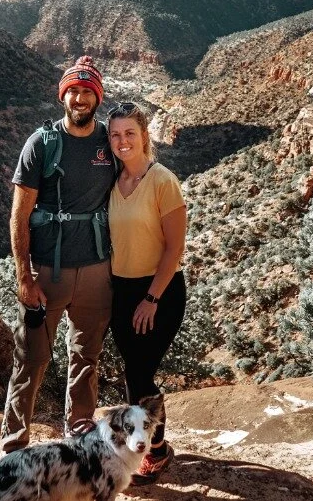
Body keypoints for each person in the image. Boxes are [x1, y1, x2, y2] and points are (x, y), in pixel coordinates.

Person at [0, 56, 116, 455]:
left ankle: (79, 433)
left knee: (87, 357)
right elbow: (19, 213)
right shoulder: (42, 144)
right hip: (48, 269)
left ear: (97, 98)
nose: (80, 98)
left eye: (88, 92)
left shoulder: (109, 143)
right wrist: (24, 277)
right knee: (31, 359)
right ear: (62, 96)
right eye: (73, 91)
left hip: (98, 268)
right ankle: (13, 444)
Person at [105, 101, 187, 485]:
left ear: (144, 136)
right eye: (116, 134)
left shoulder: (162, 180)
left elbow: (174, 248)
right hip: (121, 289)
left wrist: (151, 298)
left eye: (130, 134)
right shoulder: (113, 183)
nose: (123, 141)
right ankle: (146, 441)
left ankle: (156, 450)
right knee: (133, 372)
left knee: (141, 372)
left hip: (159, 291)